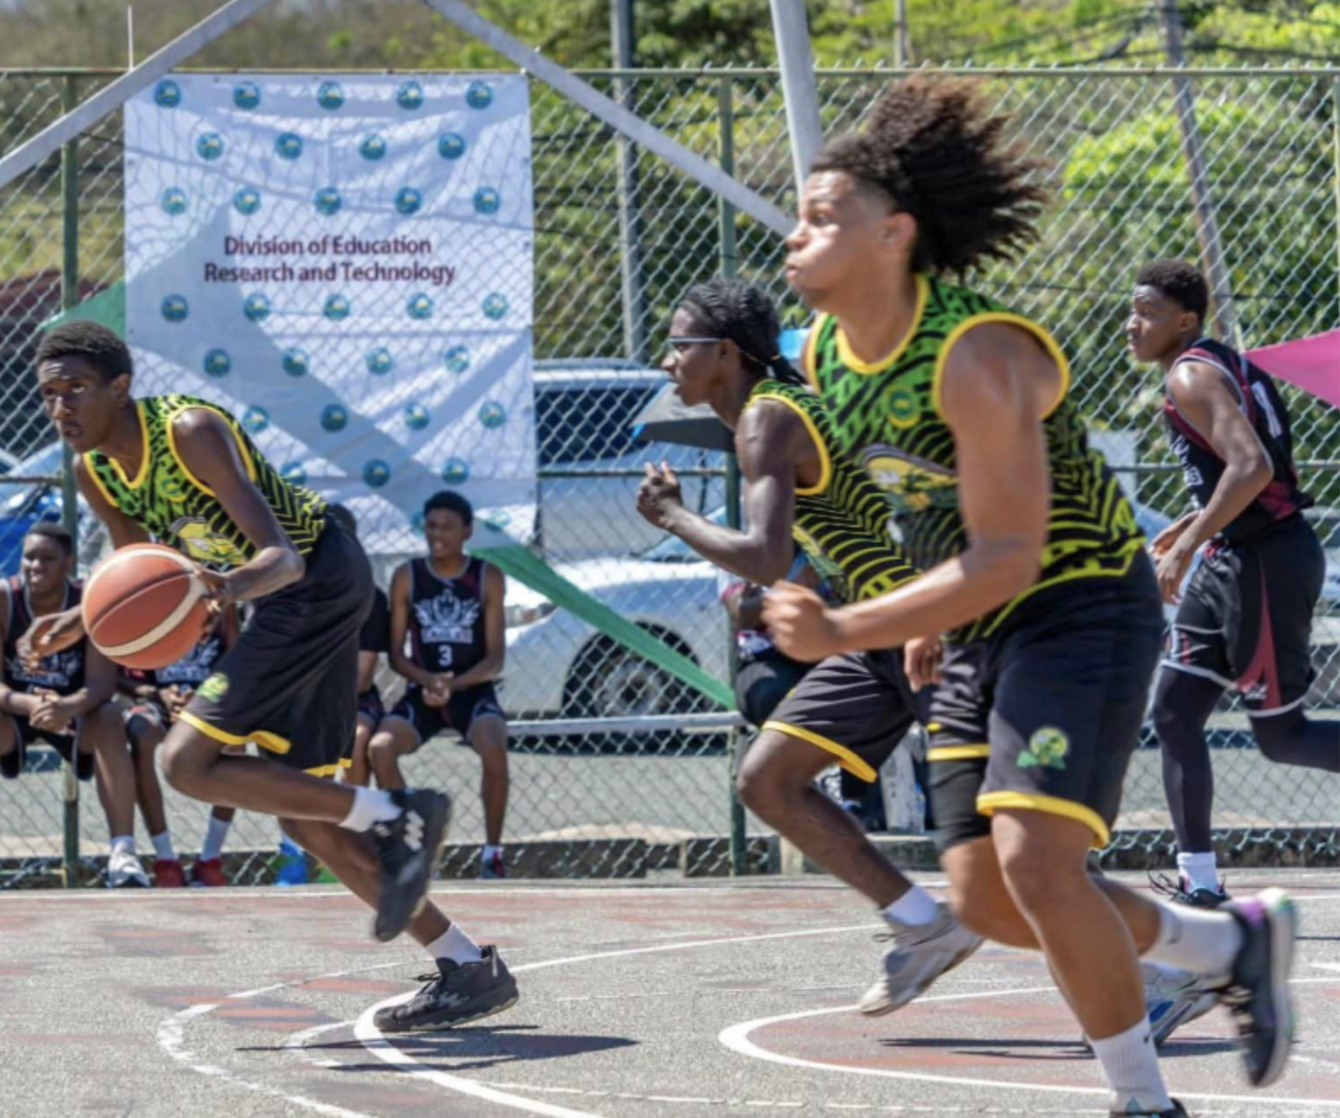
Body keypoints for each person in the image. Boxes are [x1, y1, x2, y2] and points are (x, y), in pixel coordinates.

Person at [763, 77, 1296, 1117]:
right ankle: (1226, 941)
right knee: (986, 896)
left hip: (1076, 600)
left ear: (893, 234)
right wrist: (933, 613)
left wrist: (851, 624)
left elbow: (1007, 550)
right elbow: (923, 491)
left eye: (822, 216)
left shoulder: (976, 351)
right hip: (980, 624)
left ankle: (1144, 1103)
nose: (795, 234)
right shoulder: (828, 353)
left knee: (1038, 861)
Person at [28, 321, 517, 1030]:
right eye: (48, 394)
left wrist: (220, 590)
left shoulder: (188, 431)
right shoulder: (94, 469)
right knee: (306, 813)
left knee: (186, 763)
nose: (61, 406)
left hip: (317, 577)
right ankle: (467, 963)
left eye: (76, 388)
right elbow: (136, 571)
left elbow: (281, 558)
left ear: (121, 386)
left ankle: (397, 813)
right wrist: (84, 620)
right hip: (279, 601)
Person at [637, 277, 982, 1016]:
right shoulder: (768, 417)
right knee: (767, 780)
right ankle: (922, 925)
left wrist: (673, 517)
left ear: (724, 352)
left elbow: (763, 555)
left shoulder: (766, 418)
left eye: (678, 343)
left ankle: (1166, 956)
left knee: (1006, 836)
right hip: (870, 631)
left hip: (927, 629)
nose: (667, 361)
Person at [1127, 260, 1340, 905]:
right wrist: (1196, 521)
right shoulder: (1216, 362)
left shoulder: (1192, 373)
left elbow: (1250, 466)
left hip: (1264, 563)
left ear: (1184, 320)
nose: (1130, 325)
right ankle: (1201, 881)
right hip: (1231, 556)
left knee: (1282, 737)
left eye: (1146, 312)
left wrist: (1186, 543)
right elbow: (1261, 472)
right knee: (1174, 709)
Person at [367, 491, 510, 880]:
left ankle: (492, 854)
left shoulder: (486, 577)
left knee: (495, 747)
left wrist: (455, 682)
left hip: (472, 689)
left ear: (467, 531)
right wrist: (427, 679)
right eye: (430, 526)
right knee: (379, 748)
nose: (437, 535)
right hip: (423, 690)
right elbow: (396, 654)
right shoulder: (408, 576)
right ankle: (411, 844)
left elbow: (495, 658)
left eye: (447, 527)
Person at [0, 521, 148, 887]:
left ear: (69, 564)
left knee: (111, 715)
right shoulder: (5, 600)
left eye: (47, 559)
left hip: (75, 713)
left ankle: (123, 855)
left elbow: (101, 684)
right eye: (29, 558)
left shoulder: (88, 603)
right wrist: (31, 704)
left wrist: (64, 707)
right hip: (16, 711)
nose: (35, 566)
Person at [120, 604, 241, 887]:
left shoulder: (220, 607)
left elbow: (239, 665)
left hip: (207, 701)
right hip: (159, 701)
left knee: (235, 742)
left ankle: (209, 858)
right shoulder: (149, 607)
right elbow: (120, 676)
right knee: (139, 732)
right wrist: (158, 693)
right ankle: (165, 860)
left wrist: (201, 699)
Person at [322, 503, 389, 790]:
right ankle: (306, 829)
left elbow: (361, 680)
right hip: (302, 696)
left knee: (356, 737)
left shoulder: (371, 598)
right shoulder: (296, 594)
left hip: (351, 700)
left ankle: (353, 824)